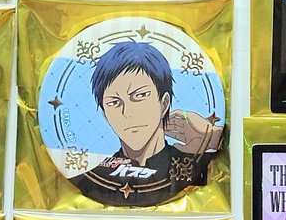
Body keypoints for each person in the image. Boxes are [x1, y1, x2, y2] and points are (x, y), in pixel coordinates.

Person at [73, 42, 220, 206]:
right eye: (114, 102)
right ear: (106, 116)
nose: (127, 113)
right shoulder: (92, 178)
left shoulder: (198, 167)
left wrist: (213, 136)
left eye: (140, 95)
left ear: (164, 103)